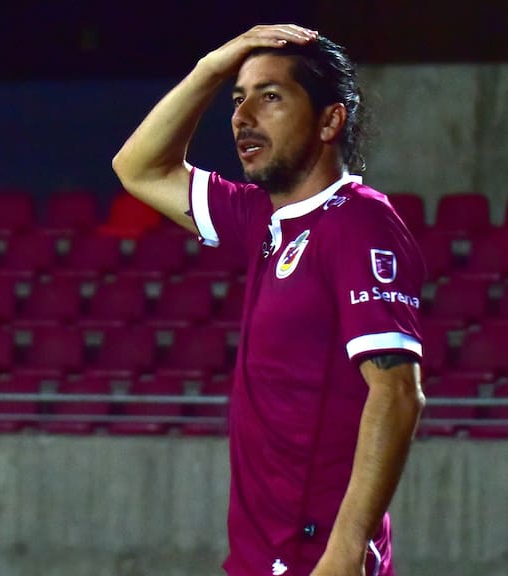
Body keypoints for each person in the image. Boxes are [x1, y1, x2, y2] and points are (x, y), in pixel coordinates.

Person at [112, 24, 425, 576]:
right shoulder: (259, 216)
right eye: (238, 99)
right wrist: (211, 66)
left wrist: (346, 550)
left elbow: (397, 392)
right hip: (260, 558)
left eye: (270, 96)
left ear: (330, 120)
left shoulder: (360, 222)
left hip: (320, 557)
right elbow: (138, 168)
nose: (243, 116)